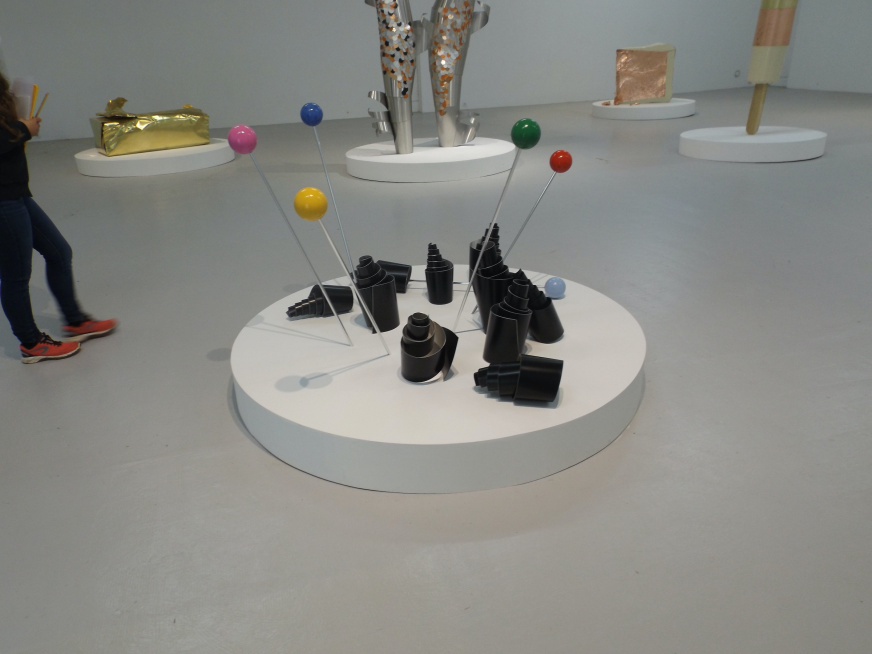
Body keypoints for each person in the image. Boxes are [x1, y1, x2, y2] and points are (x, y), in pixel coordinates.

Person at [0, 72, 116, 363]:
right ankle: (31, 343)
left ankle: (75, 321)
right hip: (3, 201)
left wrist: (20, 124)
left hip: (16, 193)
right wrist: (22, 129)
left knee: (59, 252)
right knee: (16, 275)